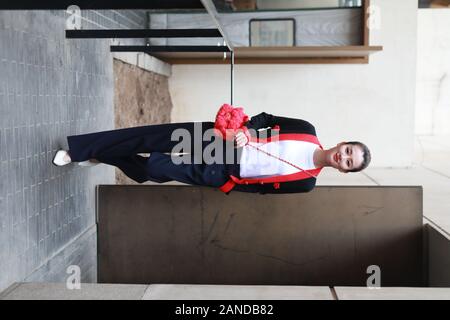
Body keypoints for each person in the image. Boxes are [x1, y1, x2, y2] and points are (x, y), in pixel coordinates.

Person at [52, 112, 371, 194]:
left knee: (149, 171)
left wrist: (226, 183)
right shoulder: (306, 129)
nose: (343, 157)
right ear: (342, 143)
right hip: (224, 140)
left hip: (224, 172)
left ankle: (101, 153)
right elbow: (266, 121)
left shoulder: (306, 184)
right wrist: (247, 132)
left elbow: (263, 192)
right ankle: (80, 150)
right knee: (148, 140)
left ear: (344, 171)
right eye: (347, 151)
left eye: (348, 163)